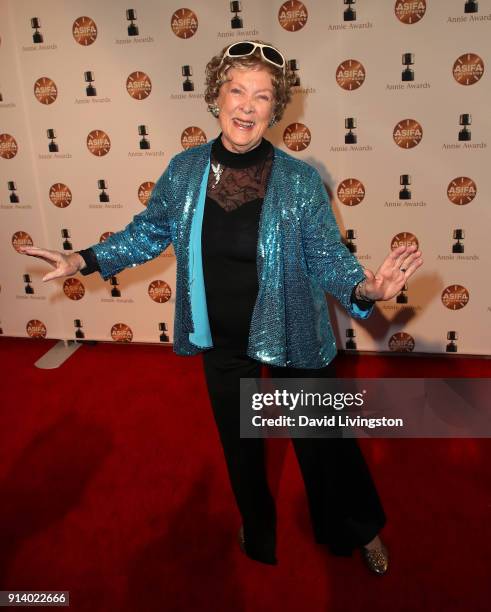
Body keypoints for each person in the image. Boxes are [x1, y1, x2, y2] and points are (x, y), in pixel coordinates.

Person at [20, 40, 423, 575]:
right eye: (237, 90)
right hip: (222, 340)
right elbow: (150, 232)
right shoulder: (185, 169)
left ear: (275, 110)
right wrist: (83, 259)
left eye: (262, 96)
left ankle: (357, 528)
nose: (247, 106)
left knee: (324, 440)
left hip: (293, 332)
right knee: (240, 447)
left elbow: (326, 256)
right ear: (216, 97)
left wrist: (366, 290)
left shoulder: (300, 181)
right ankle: (257, 528)